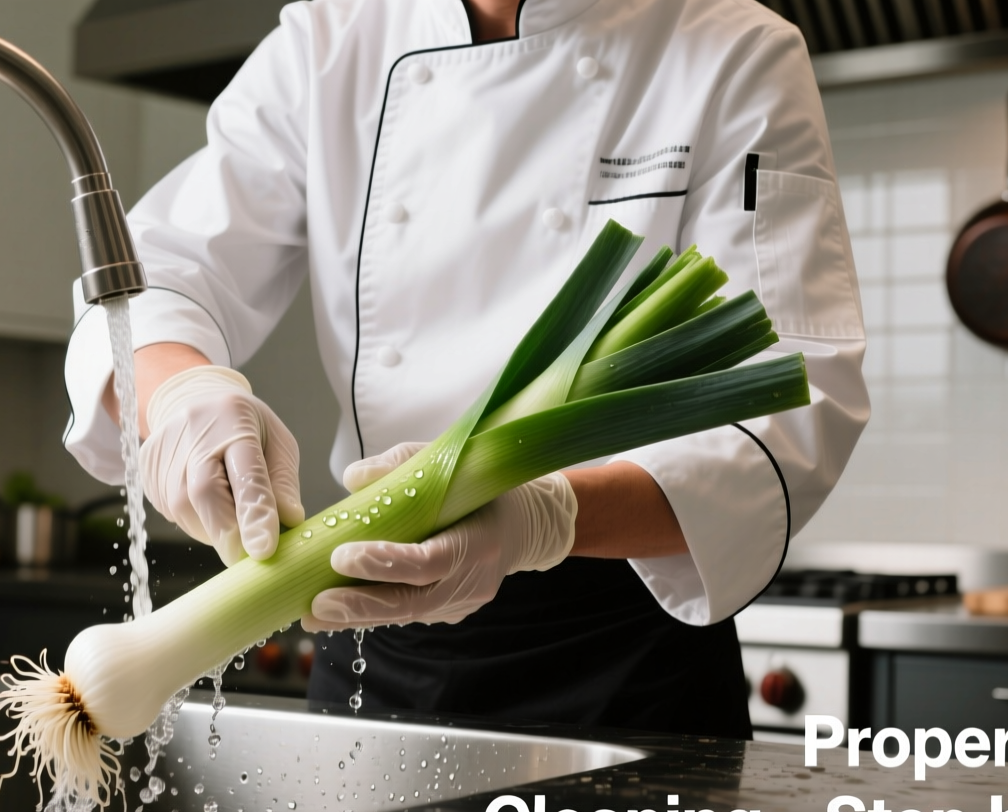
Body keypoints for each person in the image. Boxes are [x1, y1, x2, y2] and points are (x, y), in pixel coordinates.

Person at [64, 0, 869, 739]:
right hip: (368, 651)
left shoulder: (734, 48)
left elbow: (792, 403)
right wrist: (182, 395)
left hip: (624, 668)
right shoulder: (331, 39)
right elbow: (157, 273)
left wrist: (543, 518)